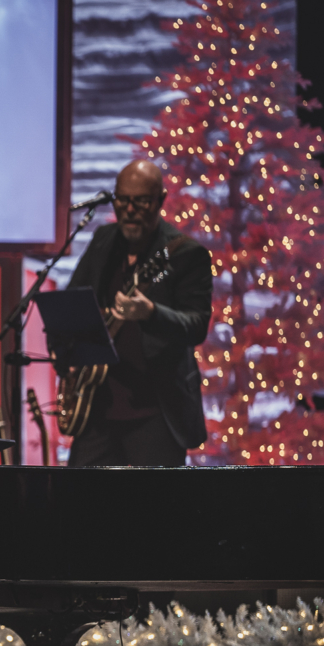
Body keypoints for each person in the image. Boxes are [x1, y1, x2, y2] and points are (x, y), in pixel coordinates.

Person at [60, 159, 213, 466]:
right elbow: (71, 304)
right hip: (98, 407)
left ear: (160, 201)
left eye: (141, 202)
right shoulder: (104, 240)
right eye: (123, 200)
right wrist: (67, 359)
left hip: (155, 411)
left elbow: (196, 325)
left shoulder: (185, 254)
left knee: (153, 510)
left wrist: (152, 313)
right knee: (77, 502)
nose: (129, 210)